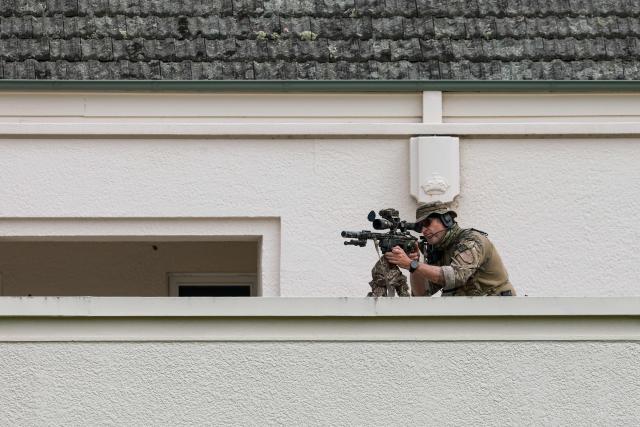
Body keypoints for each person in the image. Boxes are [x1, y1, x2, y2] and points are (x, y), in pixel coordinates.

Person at [384, 202, 516, 296]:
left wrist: (412, 264)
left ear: (446, 220)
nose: (424, 231)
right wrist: (413, 266)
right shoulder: (439, 249)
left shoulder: (471, 241)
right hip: (470, 315)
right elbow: (422, 294)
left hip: (498, 311)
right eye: (419, 227)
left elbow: (456, 275)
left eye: (426, 223)